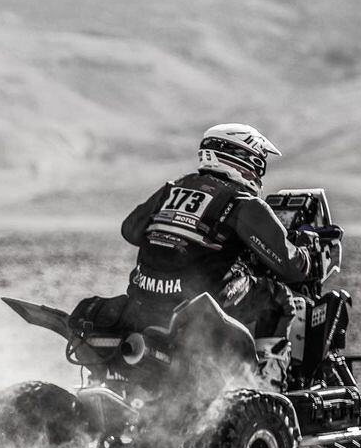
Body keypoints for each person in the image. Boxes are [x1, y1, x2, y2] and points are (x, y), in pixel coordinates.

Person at [119, 123, 315, 389]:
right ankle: (268, 387)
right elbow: (292, 268)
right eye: (258, 163)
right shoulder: (243, 202)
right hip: (199, 301)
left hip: (145, 297)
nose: (259, 172)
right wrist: (306, 251)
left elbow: (129, 230)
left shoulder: (172, 189)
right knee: (280, 299)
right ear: (241, 158)